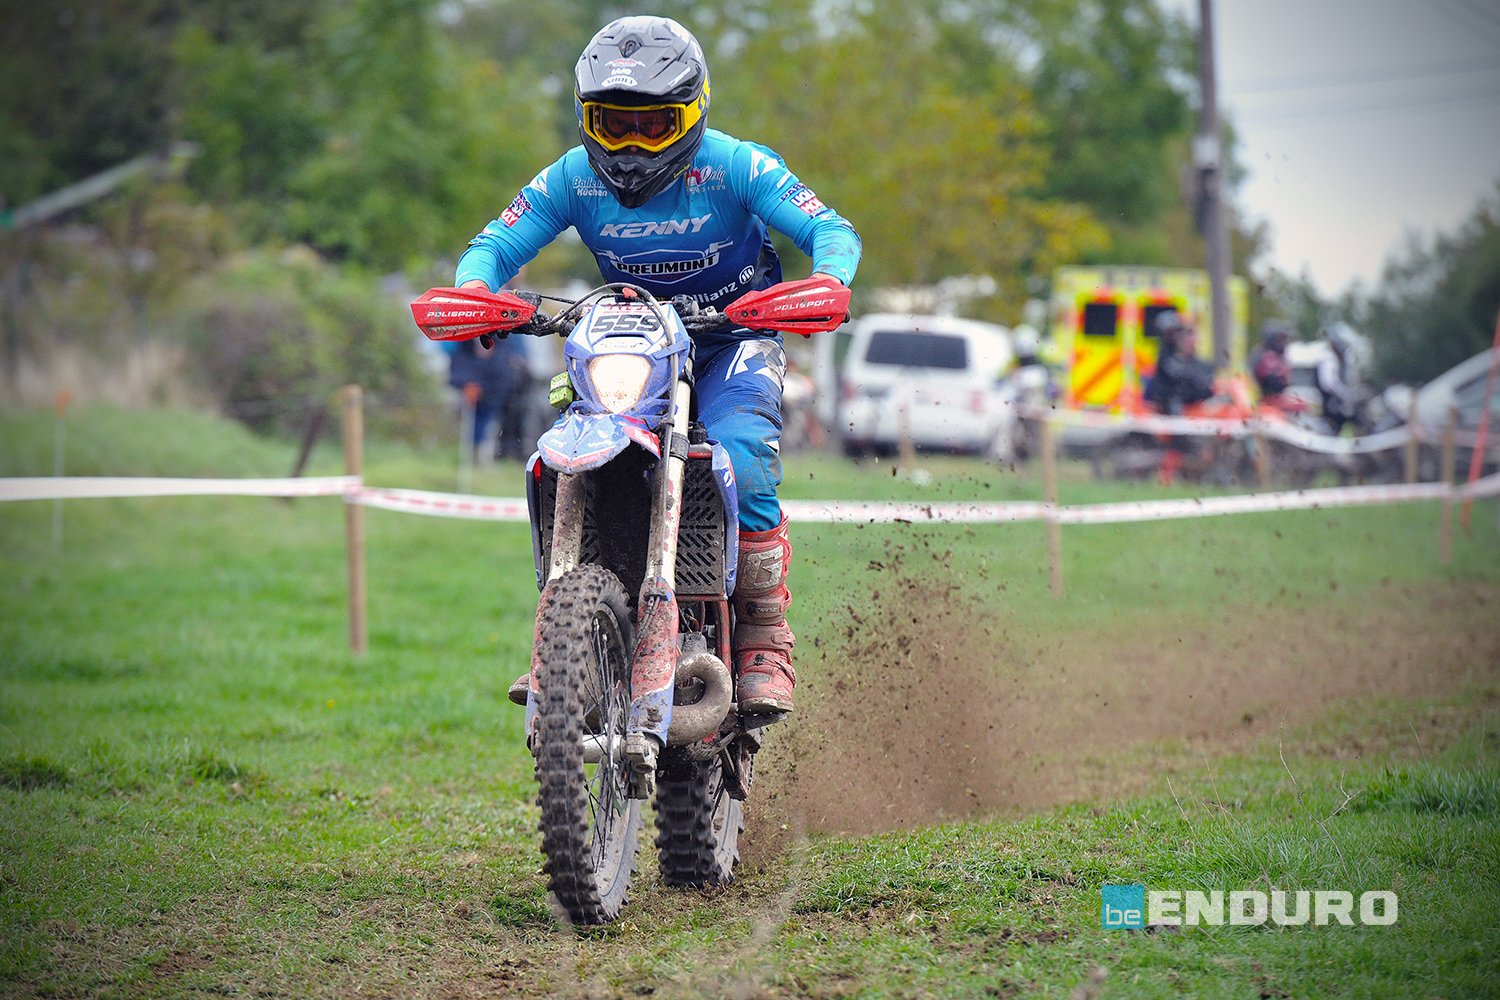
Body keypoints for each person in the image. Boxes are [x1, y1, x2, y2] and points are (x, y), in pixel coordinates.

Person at [457, 16, 861, 714]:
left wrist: (827, 279)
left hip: (732, 339)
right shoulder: (573, 178)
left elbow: (830, 229)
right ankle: (565, 640)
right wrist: (476, 293)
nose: (631, 146)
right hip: (628, 344)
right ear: (586, 119)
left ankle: (764, 632)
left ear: (693, 113)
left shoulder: (738, 166)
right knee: (568, 450)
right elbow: (492, 245)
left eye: (653, 126)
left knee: (742, 454)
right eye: (614, 125)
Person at [1142, 311, 1215, 484]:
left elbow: (1195, 372)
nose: (1177, 336)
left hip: (1181, 399)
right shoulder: (1165, 355)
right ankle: (1166, 474)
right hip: (1168, 401)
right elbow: (1179, 375)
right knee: (1179, 434)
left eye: (1178, 332)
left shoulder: (1180, 355)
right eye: (1173, 332)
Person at [446, 335, 517, 462]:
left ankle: (482, 457)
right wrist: (466, 384)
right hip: (467, 396)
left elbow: (503, 375)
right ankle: (468, 456)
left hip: (492, 397)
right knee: (466, 428)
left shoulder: (501, 346)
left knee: (488, 428)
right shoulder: (465, 345)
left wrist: (483, 388)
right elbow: (458, 366)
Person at [1316, 322, 1364, 434]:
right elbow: (1329, 384)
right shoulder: (1328, 358)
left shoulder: (1343, 360)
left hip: (1338, 404)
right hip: (1329, 405)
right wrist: (1345, 394)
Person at [1251, 321, 1293, 401]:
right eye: (1279, 340)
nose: (1283, 344)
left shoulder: (1280, 358)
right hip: (1263, 401)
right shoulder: (1266, 357)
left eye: (1284, 340)